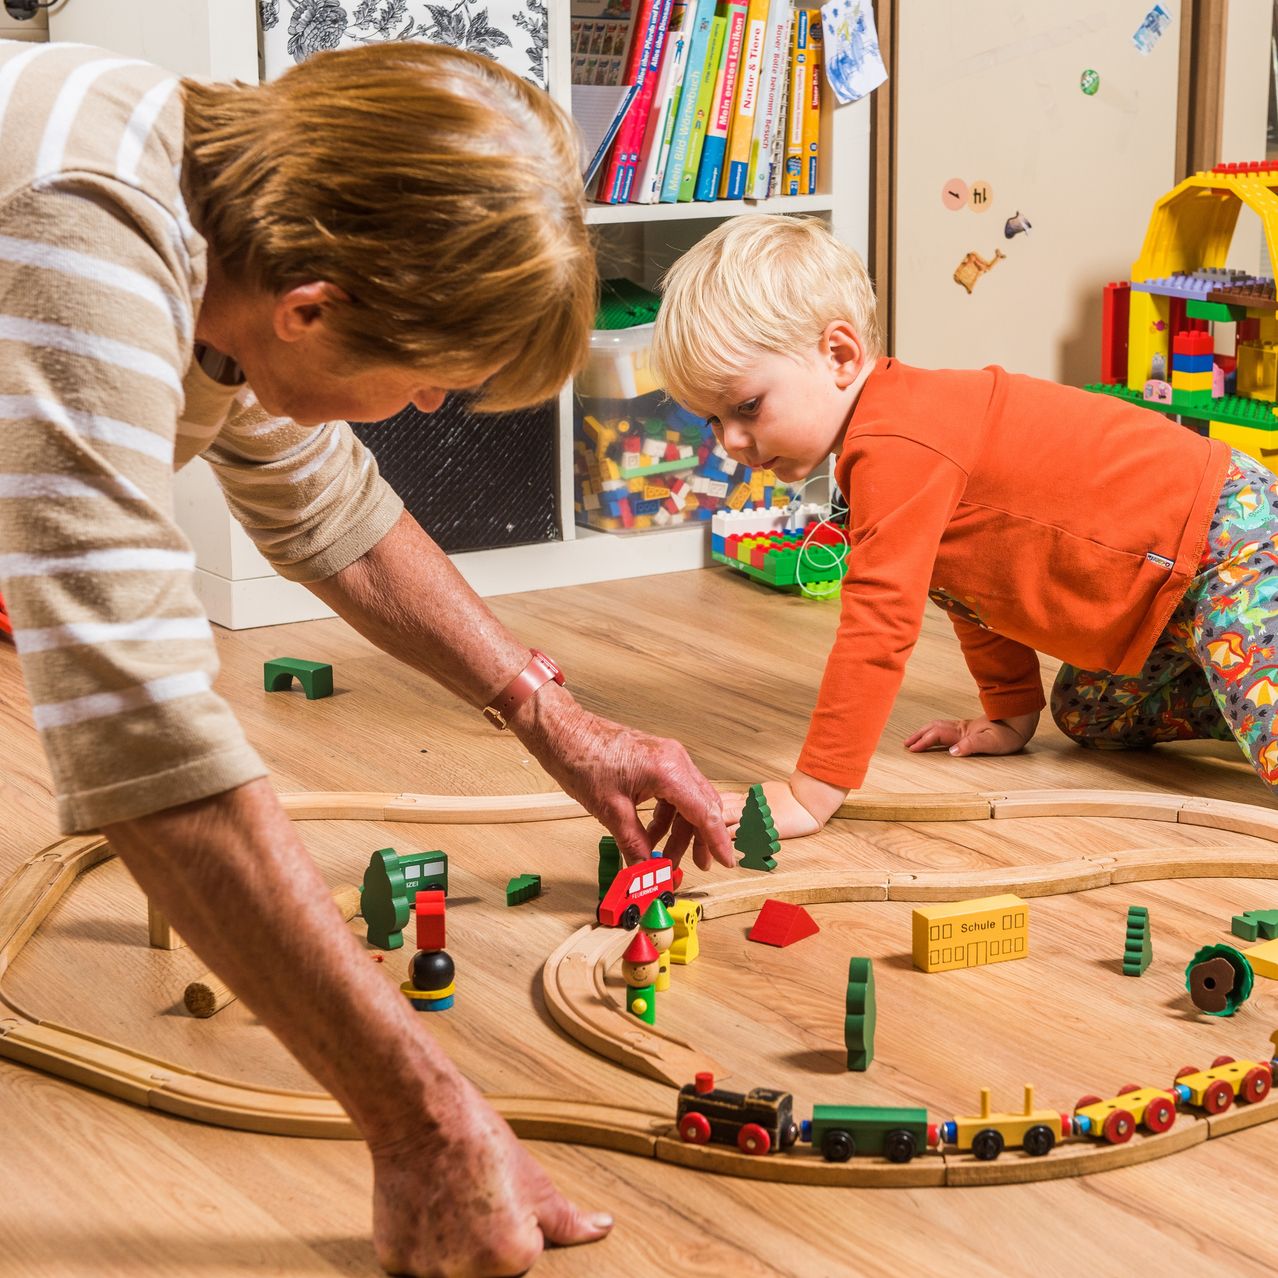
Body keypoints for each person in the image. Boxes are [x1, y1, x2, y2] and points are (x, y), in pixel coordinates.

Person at [0, 38, 732, 1277]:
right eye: (426, 383)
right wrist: (427, 1126)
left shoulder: (223, 223)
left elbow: (331, 513)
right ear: (311, 310)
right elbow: (141, 731)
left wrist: (558, 718)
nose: (426, 415)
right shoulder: (84, 236)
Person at [652, 213, 1269, 837]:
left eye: (747, 407)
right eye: (712, 421)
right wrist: (1009, 713)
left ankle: (1255, 697)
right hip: (1167, 595)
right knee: (1089, 715)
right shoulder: (884, 447)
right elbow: (972, 574)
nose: (731, 440)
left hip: (1230, 537)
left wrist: (811, 792)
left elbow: (879, 623)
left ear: (839, 355)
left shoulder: (898, 439)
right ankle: (1244, 692)